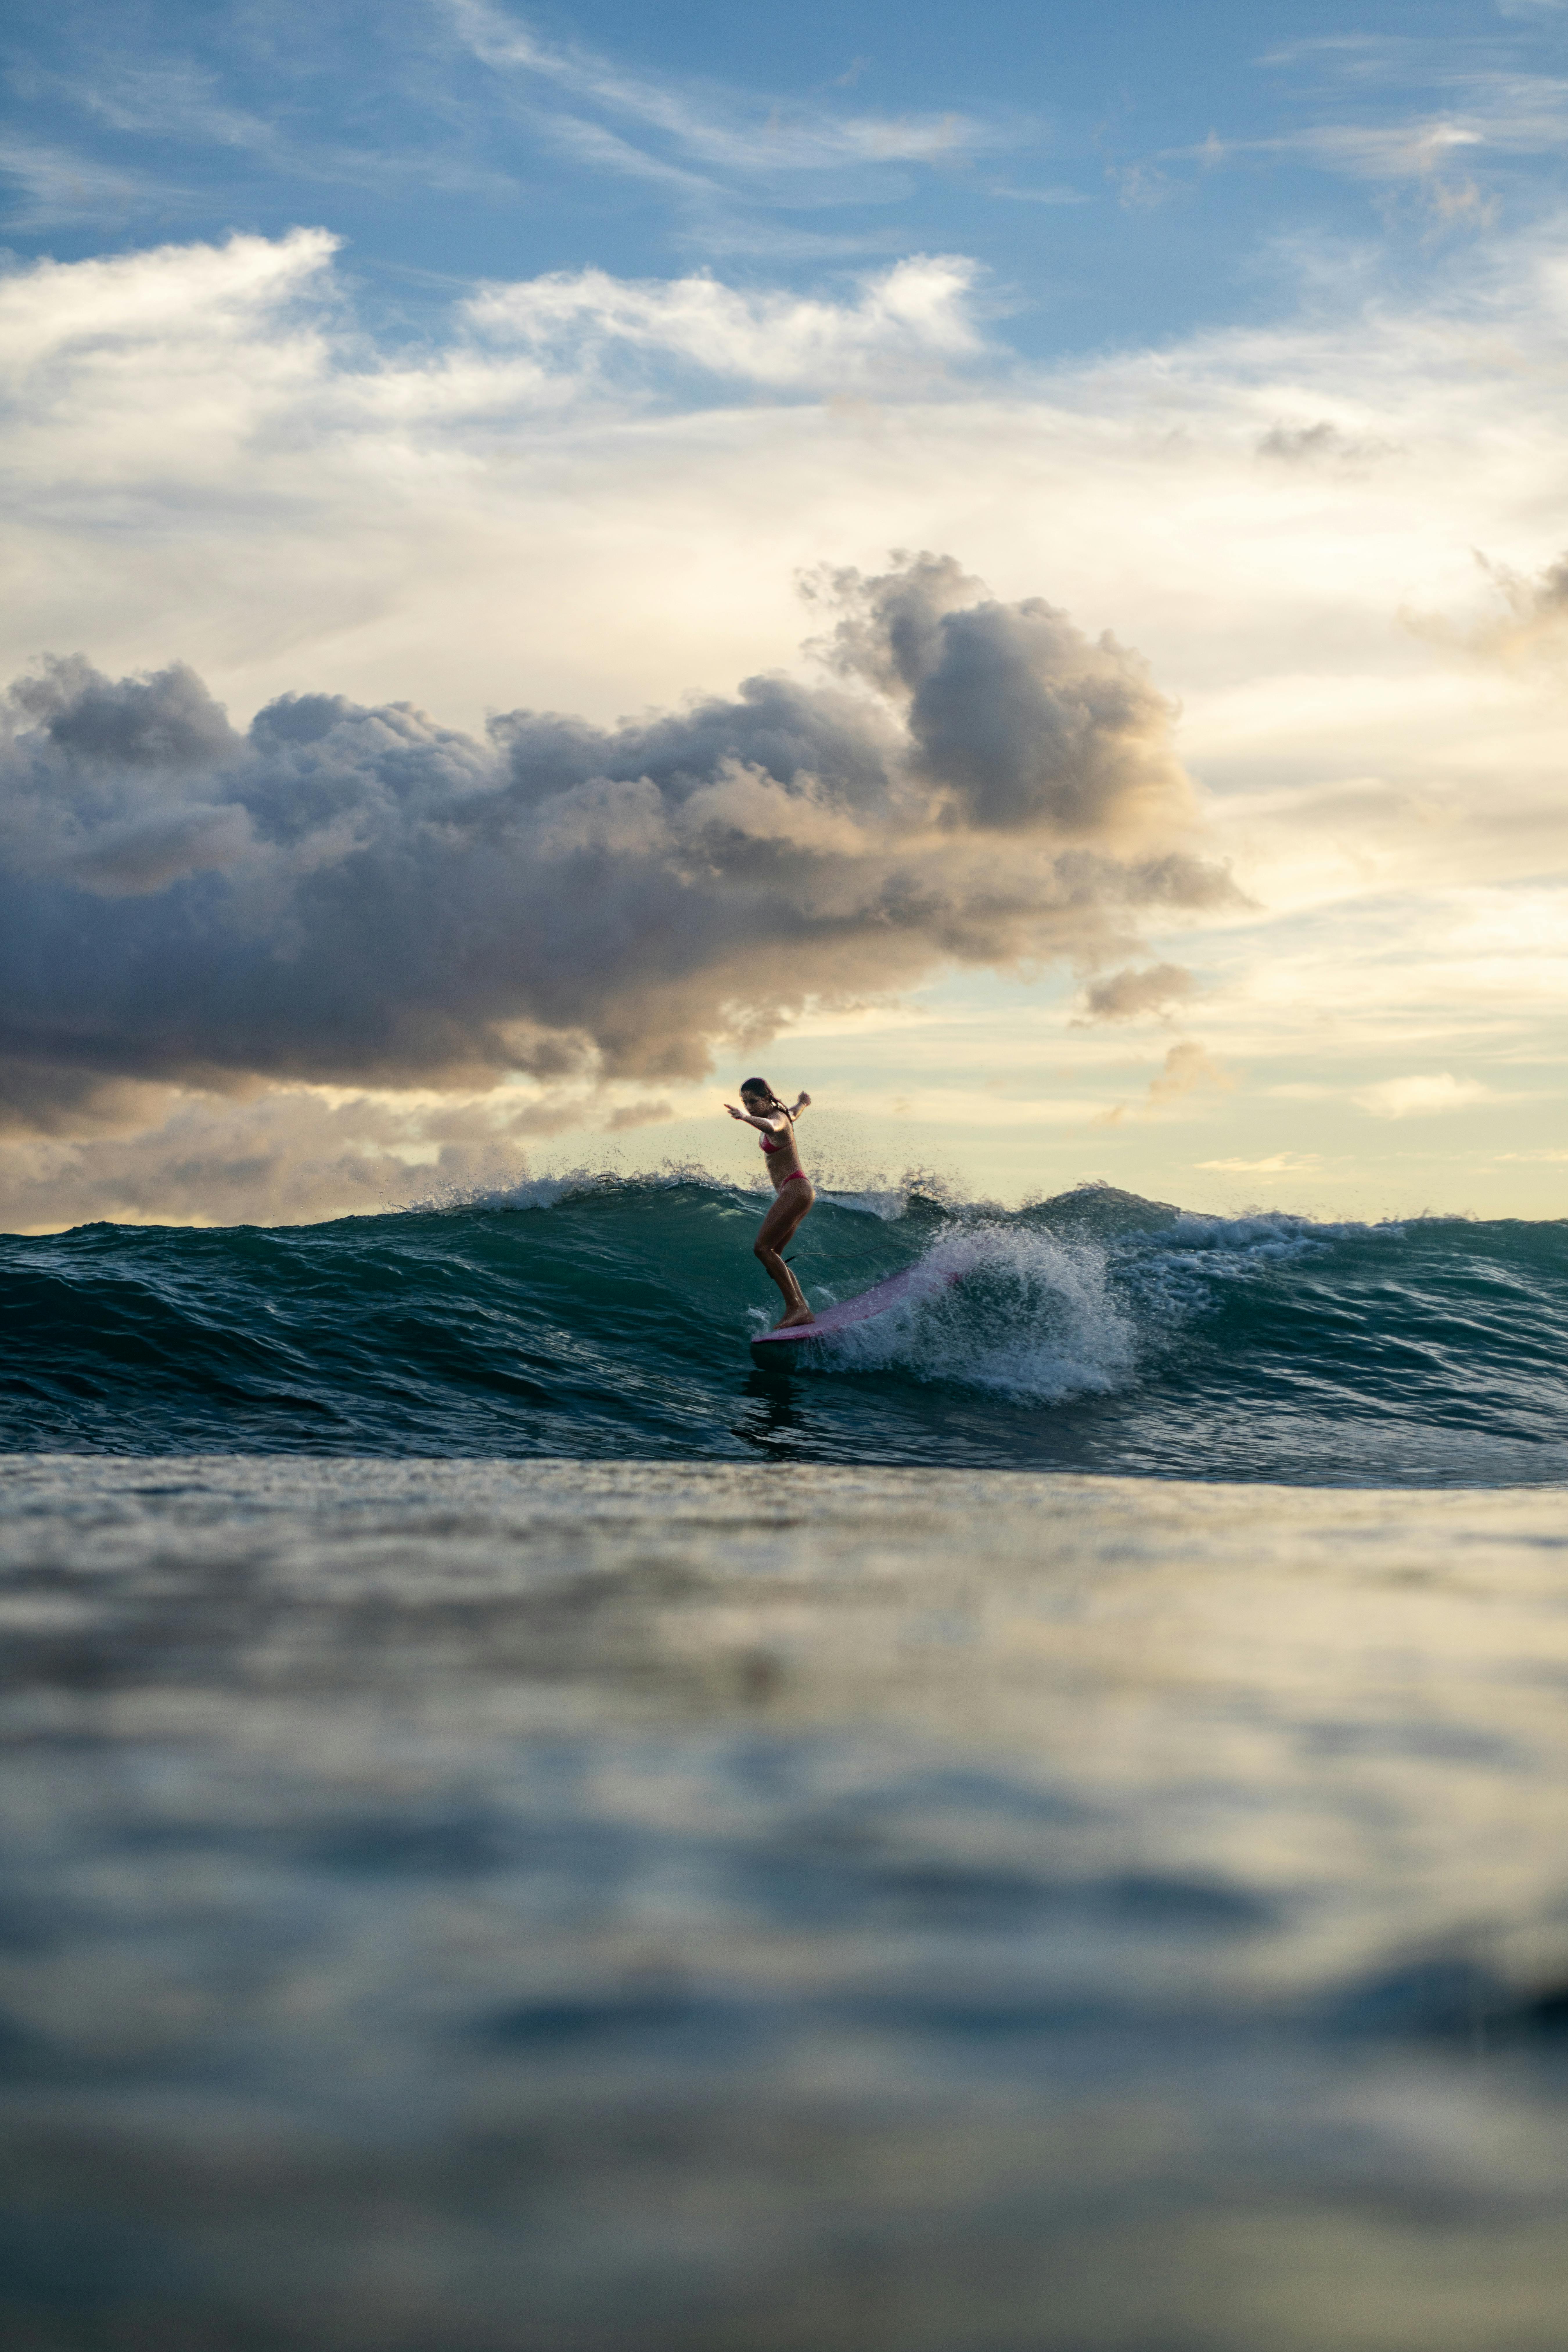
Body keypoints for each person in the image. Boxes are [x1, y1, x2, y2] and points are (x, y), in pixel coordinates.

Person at [724, 1078, 816, 1328]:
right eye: (746, 1102)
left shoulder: (777, 1118)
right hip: (798, 1190)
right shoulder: (785, 1112)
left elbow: (774, 1126)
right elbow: (794, 1114)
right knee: (773, 1254)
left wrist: (744, 1117)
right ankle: (802, 1309)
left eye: (754, 1101)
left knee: (762, 1249)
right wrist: (803, 1103)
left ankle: (797, 1308)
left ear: (767, 1098)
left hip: (795, 1189)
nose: (750, 1106)